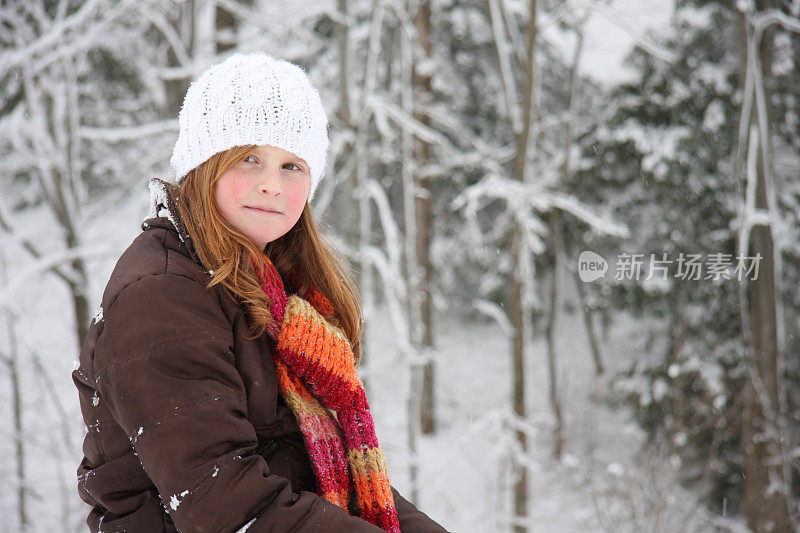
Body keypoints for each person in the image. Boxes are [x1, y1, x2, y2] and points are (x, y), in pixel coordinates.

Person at [72, 52, 447, 533]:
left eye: (292, 166)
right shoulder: (163, 295)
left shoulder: (283, 296)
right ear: (203, 165)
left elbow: (338, 474)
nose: (272, 185)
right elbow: (225, 505)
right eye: (249, 158)